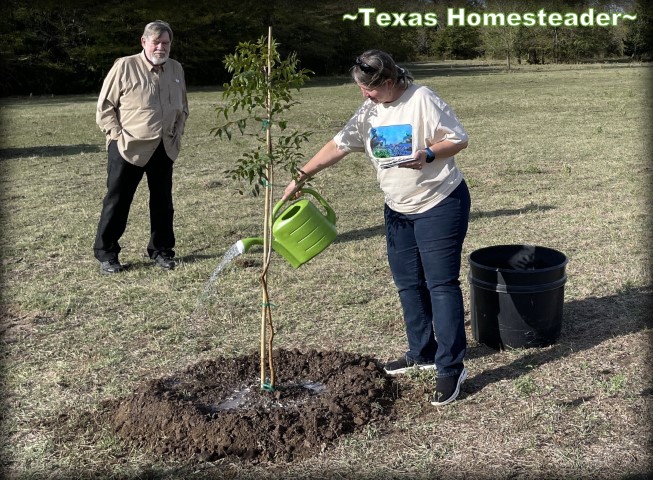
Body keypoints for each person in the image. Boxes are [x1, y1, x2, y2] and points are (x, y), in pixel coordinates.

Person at [283, 50, 471, 406]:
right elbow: (338, 145)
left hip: (439, 204)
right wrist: (301, 176)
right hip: (397, 210)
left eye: (369, 89)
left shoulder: (422, 99)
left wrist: (428, 155)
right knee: (407, 283)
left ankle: (451, 366)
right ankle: (422, 352)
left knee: (440, 285)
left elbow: (459, 138)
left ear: (388, 82)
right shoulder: (369, 111)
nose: (363, 96)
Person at [94, 20, 189, 274]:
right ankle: (107, 254)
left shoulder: (176, 69)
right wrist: (116, 137)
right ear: (144, 42)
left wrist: (176, 135)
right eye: (156, 42)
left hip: (164, 146)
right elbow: (105, 108)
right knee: (117, 201)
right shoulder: (124, 66)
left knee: (163, 203)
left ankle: (162, 250)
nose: (161, 47)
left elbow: (183, 108)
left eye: (166, 43)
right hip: (128, 147)